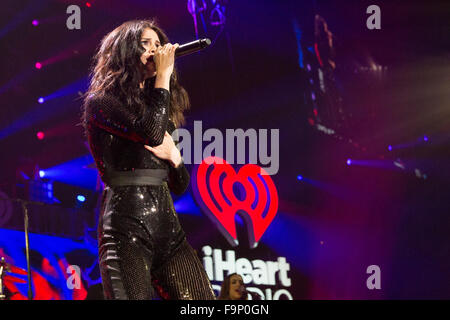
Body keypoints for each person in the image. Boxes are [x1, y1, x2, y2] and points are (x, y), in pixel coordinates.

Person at [82, 19, 215, 300]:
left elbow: (179, 186)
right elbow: (151, 134)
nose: (156, 51)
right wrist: (164, 78)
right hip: (125, 229)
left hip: (170, 231)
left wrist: (177, 159)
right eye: (146, 45)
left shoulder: (157, 107)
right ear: (125, 53)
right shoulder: (102, 102)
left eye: (158, 44)